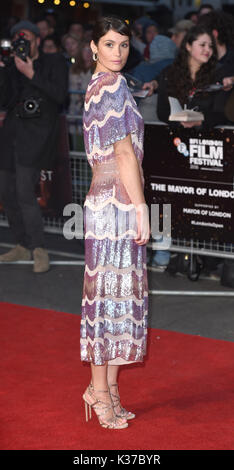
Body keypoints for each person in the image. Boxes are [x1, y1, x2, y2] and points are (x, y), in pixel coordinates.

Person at [81, 16, 150, 429]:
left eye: (123, 45)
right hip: (114, 206)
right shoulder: (108, 86)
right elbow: (124, 154)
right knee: (109, 300)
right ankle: (99, 392)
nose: (117, 53)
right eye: (109, 44)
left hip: (109, 201)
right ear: (93, 47)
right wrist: (141, 207)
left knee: (115, 297)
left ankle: (106, 390)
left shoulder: (105, 85)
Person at [0, 20, 68, 272]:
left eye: (26, 38)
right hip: (10, 137)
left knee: (24, 193)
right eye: (17, 39)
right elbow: (5, 100)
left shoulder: (54, 62)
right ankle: (22, 244)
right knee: (6, 192)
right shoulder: (11, 67)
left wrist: (31, 74)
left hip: (36, 138)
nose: (22, 43)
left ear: (37, 40)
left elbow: (59, 96)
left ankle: (39, 249)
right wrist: (4, 71)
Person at [157, 24, 232, 128]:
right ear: (188, 46)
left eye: (210, 46)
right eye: (202, 45)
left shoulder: (220, 73)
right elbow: (162, 111)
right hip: (175, 134)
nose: (207, 50)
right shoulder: (169, 73)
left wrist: (199, 121)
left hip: (208, 135)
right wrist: (179, 122)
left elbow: (221, 113)